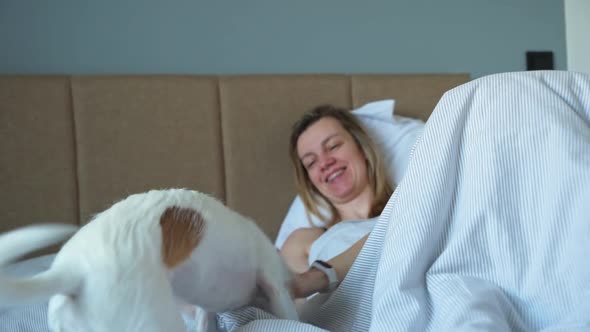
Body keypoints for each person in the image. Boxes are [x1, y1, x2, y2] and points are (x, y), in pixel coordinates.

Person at [279, 104, 393, 298]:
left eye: (333, 146)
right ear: (311, 182)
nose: (324, 163)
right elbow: (291, 318)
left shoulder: (410, 204)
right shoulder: (303, 242)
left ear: (362, 148)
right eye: (311, 162)